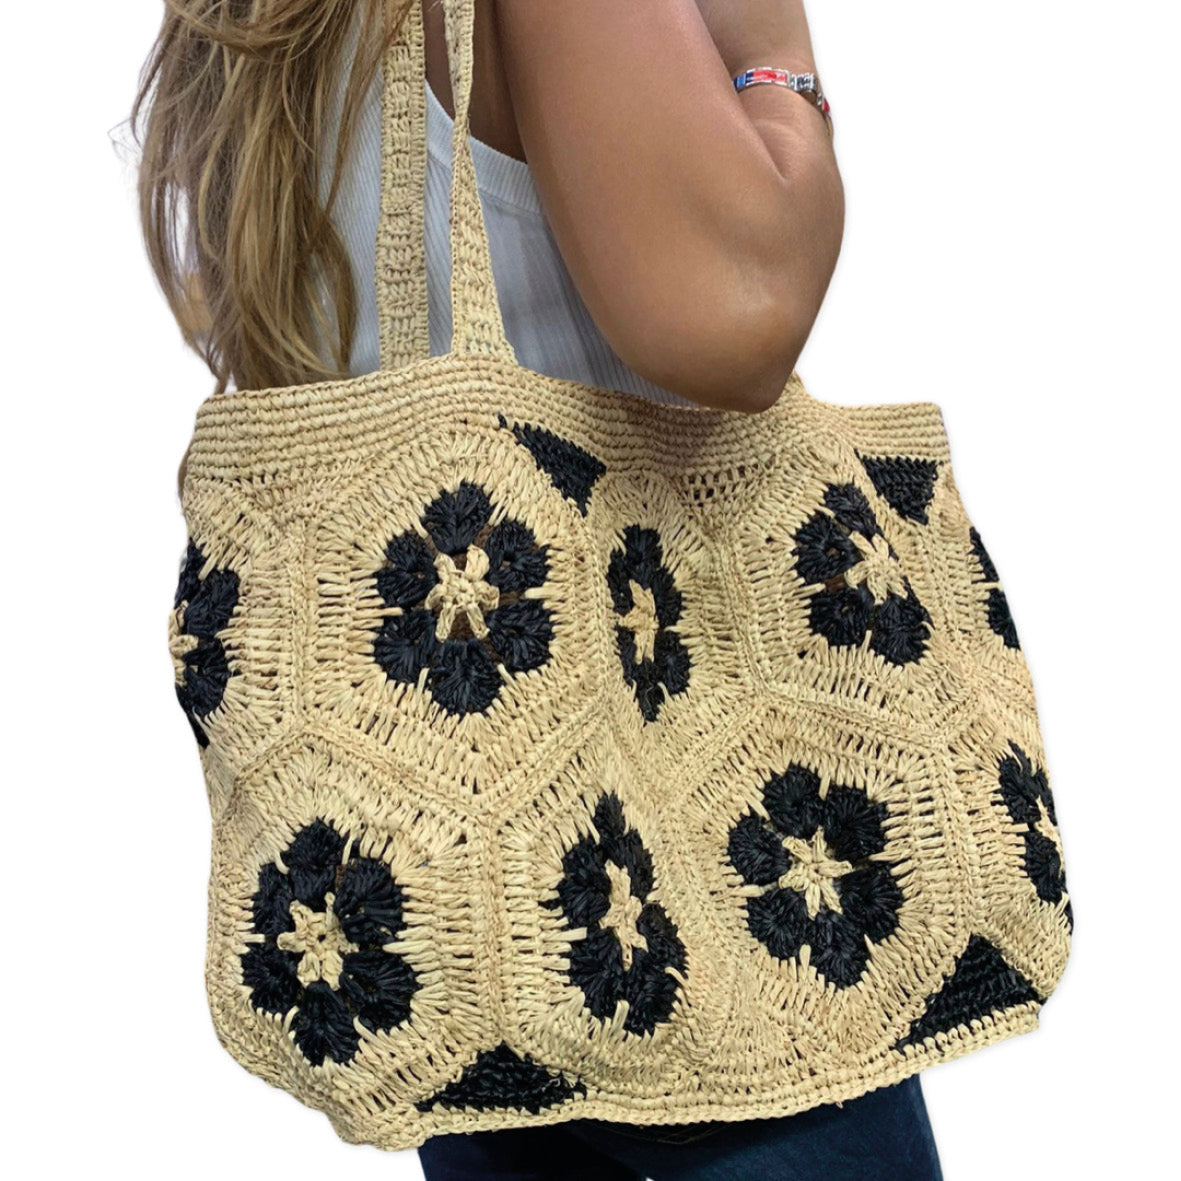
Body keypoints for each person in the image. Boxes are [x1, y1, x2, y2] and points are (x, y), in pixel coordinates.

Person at [133, 3, 943, 1176]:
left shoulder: (253, 27)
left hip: (462, 888)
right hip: (700, 883)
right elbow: (735, 313)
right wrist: (775, 60)